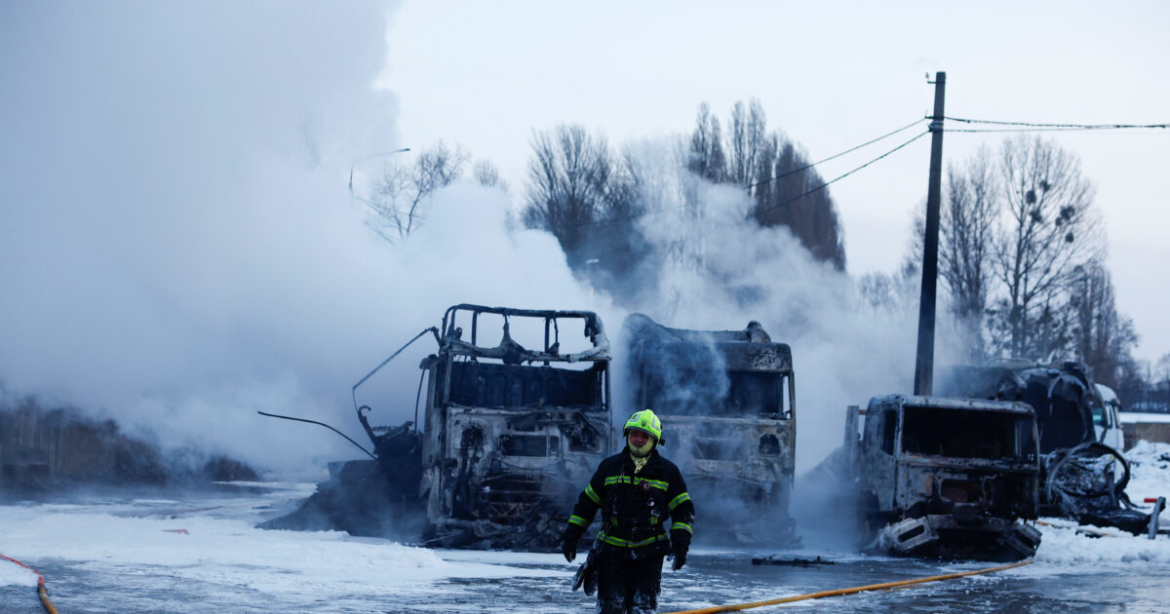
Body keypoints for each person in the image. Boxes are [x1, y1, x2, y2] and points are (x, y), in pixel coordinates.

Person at [561, 409, 695, 614]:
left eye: (644, 436)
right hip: (611, 553)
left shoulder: (668, 472)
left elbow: (683, 511)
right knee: (610, 609)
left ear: (655, 440)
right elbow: (587, 504)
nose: (638, 440)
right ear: (627, 436)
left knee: (642, 609)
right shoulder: (610, 467)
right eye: (634, 434)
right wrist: (571, 536)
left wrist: (680, 546)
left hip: (649, 554)